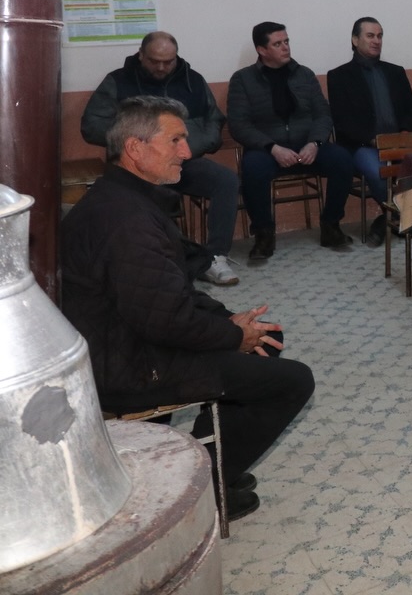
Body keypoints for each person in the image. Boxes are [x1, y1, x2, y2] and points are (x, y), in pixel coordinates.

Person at [61, 96, 315, 522]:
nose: (187, 150)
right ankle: (202, 488)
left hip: (131, 340)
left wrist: (228, 320)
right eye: (175, 140)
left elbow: (169, 289)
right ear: (135, 148)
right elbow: (166, 320)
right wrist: (233, 335)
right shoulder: (127, 221)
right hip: (127, 365)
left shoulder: (126, 197)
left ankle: (210, 460)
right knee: (293, 381)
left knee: (267, 339)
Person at [80, 31, 242, 286]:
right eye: (155, 61)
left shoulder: (192, 80)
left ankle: (214, 257)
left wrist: (188, 147)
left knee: (226, 180)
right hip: (139, 168)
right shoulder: (118, 81)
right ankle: (163, 259)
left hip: (185, 162)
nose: (162, 67)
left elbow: (214, 122)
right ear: (141, 55)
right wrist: (140, 142)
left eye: (168, 61)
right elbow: (91, 126)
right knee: (144, 196)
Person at [228, 22, 355, 258]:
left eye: (286, 41)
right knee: (252, 168)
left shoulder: (304, 74)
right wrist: (272, 148)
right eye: (277, 44)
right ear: (262, 50)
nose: (285, 47)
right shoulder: (243, 79)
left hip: (307, 145)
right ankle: (264, 234)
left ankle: (331, 225)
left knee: (343, 159)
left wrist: (315, 143)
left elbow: (323, 114)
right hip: (267, 149)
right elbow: (239, 125)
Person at [326, 17, 412, 246]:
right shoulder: (339, 76)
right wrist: (372, 140)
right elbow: (342, 121)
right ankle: (402, 216)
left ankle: (387, 220)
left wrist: (405, 133)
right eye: (370, 36)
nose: (376, 41)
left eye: (379, 36)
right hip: (362, 146)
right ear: (355, 39)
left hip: (399, 143)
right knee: (380, 172)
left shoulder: (395, 72)